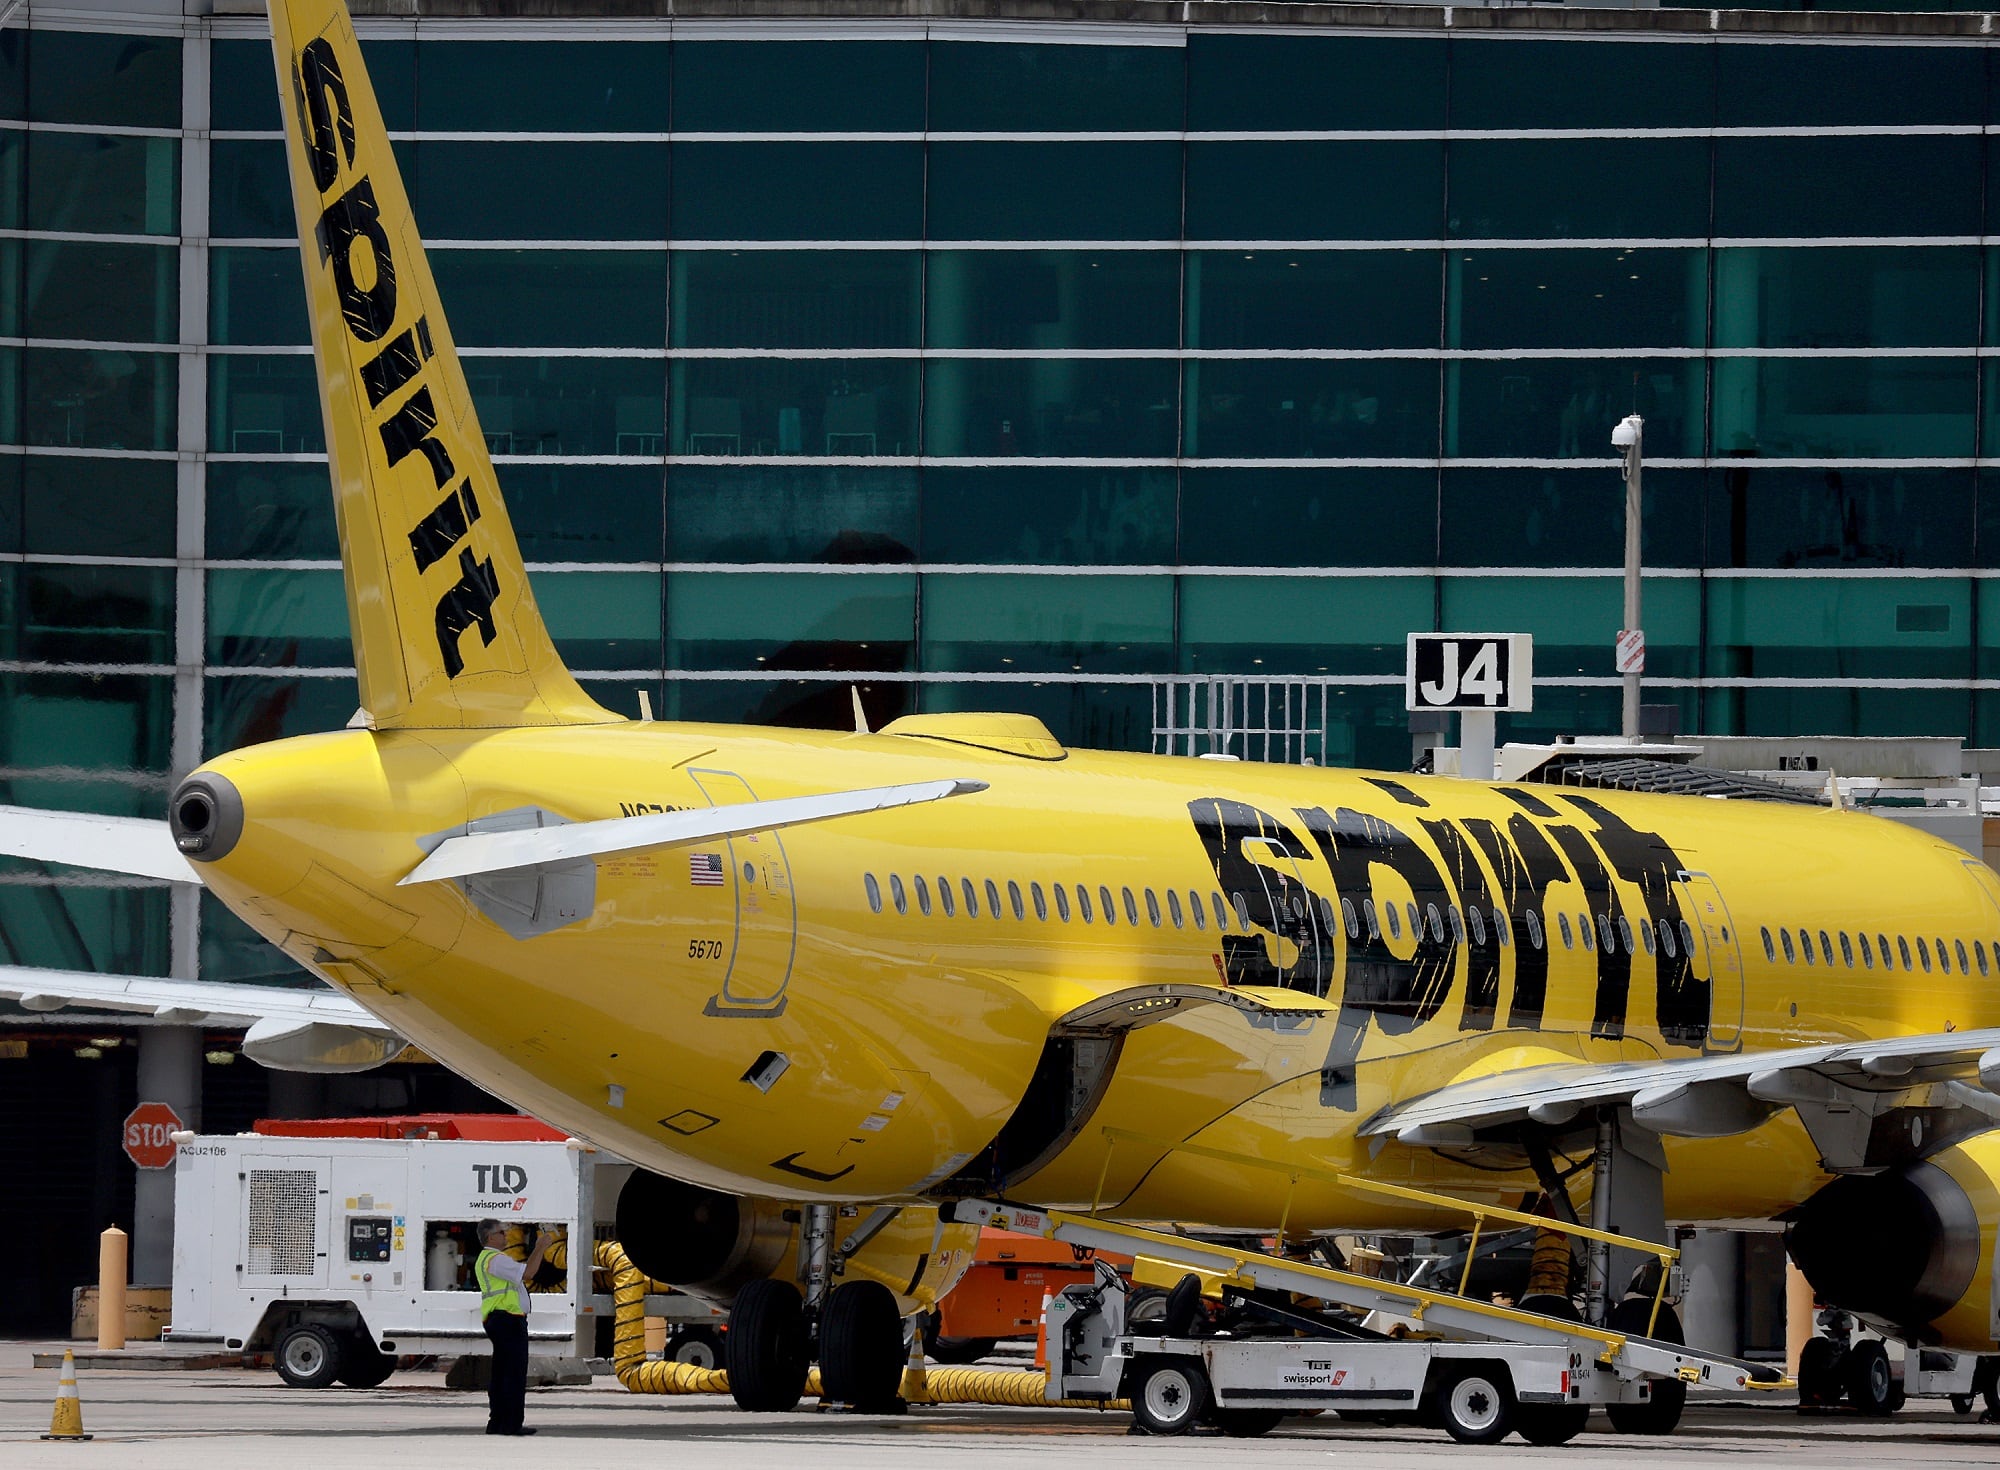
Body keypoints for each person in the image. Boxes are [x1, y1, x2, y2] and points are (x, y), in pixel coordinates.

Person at [474, 1219, 552, 1436]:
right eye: (501, 1232)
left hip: (498, 1319)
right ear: (490, 1238)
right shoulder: (495, 1259)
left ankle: (497, 1422)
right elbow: (528, 1273)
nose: (506, 1236)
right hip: (507, 1318)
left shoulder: (488, 1259)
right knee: (513, 1373)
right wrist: (540, 1247)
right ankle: (511, 1423)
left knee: (501, 1372)